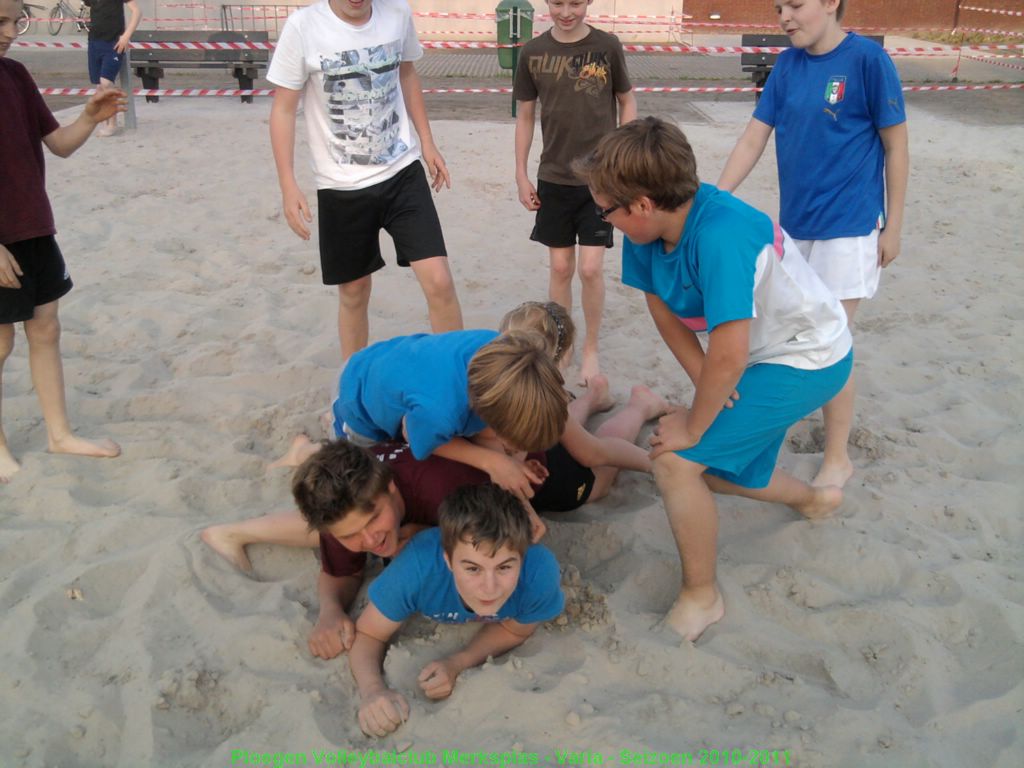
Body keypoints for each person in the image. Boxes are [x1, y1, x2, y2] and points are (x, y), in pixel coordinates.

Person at [576, 117, 854, 642]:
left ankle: (702, 597)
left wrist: (696, 423)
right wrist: (709, 388)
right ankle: (811, 499)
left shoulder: (722, 235)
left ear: (641, 204)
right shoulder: (648, 228)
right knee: (712, 464)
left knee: (678, 463)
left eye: (605, 208)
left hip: (809, 355)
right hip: (757, 356)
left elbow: (730, 354)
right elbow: (663, 310)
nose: (602, 217)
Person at [717, 0, 908, 489]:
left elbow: (896, 146)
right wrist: (715, 196)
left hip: (850, 228)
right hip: (795, 229)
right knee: (788, 340)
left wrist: (895, 226)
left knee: (830, 343)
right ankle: (766, 443)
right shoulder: (786, 66)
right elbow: (753, 139)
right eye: (778, 6)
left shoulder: (868, 60)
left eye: (795, 4)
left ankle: (838, 456)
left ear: (830, 3)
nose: (784, 16)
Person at [267, 0, 463, 361]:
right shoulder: (302, 27)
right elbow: (282, 109)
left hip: (402, 171)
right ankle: (352, 383)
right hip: (341, 185)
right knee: (354, 292)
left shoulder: (397, 13)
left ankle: (456, 378)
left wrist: (428, 141)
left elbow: (407, 73)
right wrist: (287, 184)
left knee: (439, 281)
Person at [1, 0, 123, 483]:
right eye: (1, 21)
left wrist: (91, 117)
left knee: (46, 327)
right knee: (1, 340)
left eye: (15, 21)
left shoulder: (15, 75)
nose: (10, 32)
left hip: (34, 225)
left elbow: (59, 144)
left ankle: (59, 433)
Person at [349, 483, 564, 737]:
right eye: (473, 569)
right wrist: (373, 690)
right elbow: (369, 634)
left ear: (522, 556)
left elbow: (514, 630)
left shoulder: (539, 573)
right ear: (448, 561)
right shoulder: (417, 569)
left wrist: (457, 662)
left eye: (505, 567)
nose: (490, 588)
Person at [514, 0, 636, 385]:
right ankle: (563, 347)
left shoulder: (607, 45)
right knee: (561, 267)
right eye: (558, 3)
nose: (566, 12)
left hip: (600, 181)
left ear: (588, 3)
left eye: (575, 3)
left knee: (591, 268)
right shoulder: (532, 52)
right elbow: (525, 115)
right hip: (553, 177)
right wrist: (520, 174)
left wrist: (623, 154)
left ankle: (591, 350)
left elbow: (627, 100)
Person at [82, 0, 141, 137]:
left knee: (106, 82)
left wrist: (126, 36)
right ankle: (105, 119)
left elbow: (137, 12)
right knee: (99, 85)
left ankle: (112, 124)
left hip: (114, 43)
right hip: (94, 41)